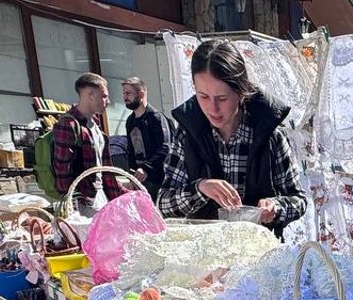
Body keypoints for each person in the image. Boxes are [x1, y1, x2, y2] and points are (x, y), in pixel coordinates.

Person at [158, 41, 305, 236]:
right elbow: (163, 204)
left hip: (258, 250)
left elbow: (298, 199)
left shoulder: (270, 134)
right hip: (204, 249)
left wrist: (275, 208)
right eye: (203, 96)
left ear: (241, 91)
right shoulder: (188, 133)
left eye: (222, 98)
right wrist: (200, 188)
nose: (212, 108)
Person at [53, 72, 123, 215]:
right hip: (83, 202)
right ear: (91, 95)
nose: (108, 101)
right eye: (104, 96)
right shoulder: (69, 124)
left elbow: (104, 169)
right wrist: (74, 204)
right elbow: (62, 170)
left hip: (101, 198)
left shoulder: (95, 126)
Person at [122, 76, 168, 193]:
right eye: (124, 93)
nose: (125, 97)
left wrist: (146, 168)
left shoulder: (156, 118)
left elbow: (166, 147)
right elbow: (131, 150)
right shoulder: (130, 121)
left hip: (159, 179)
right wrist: (132, 176)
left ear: (141, 94)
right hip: (140, 180)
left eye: (128, 93)